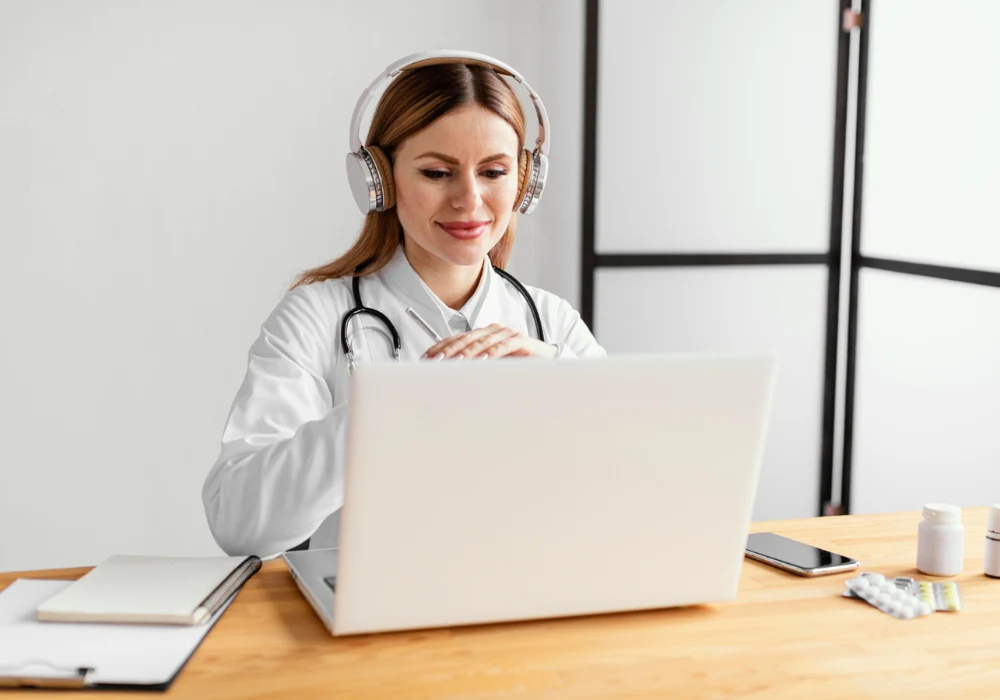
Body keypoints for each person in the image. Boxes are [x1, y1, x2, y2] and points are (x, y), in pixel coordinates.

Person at [202, 51, 605, 558]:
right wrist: (383, 412)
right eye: (437, 173)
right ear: (381, 180)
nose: (470, 200)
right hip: (375, 626)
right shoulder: (314, 318)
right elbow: (239, 523)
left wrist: (560, 379)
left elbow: (634, 487)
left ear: (525, 180)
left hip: (534, 604)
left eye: (494, 172)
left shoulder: (551, 324)